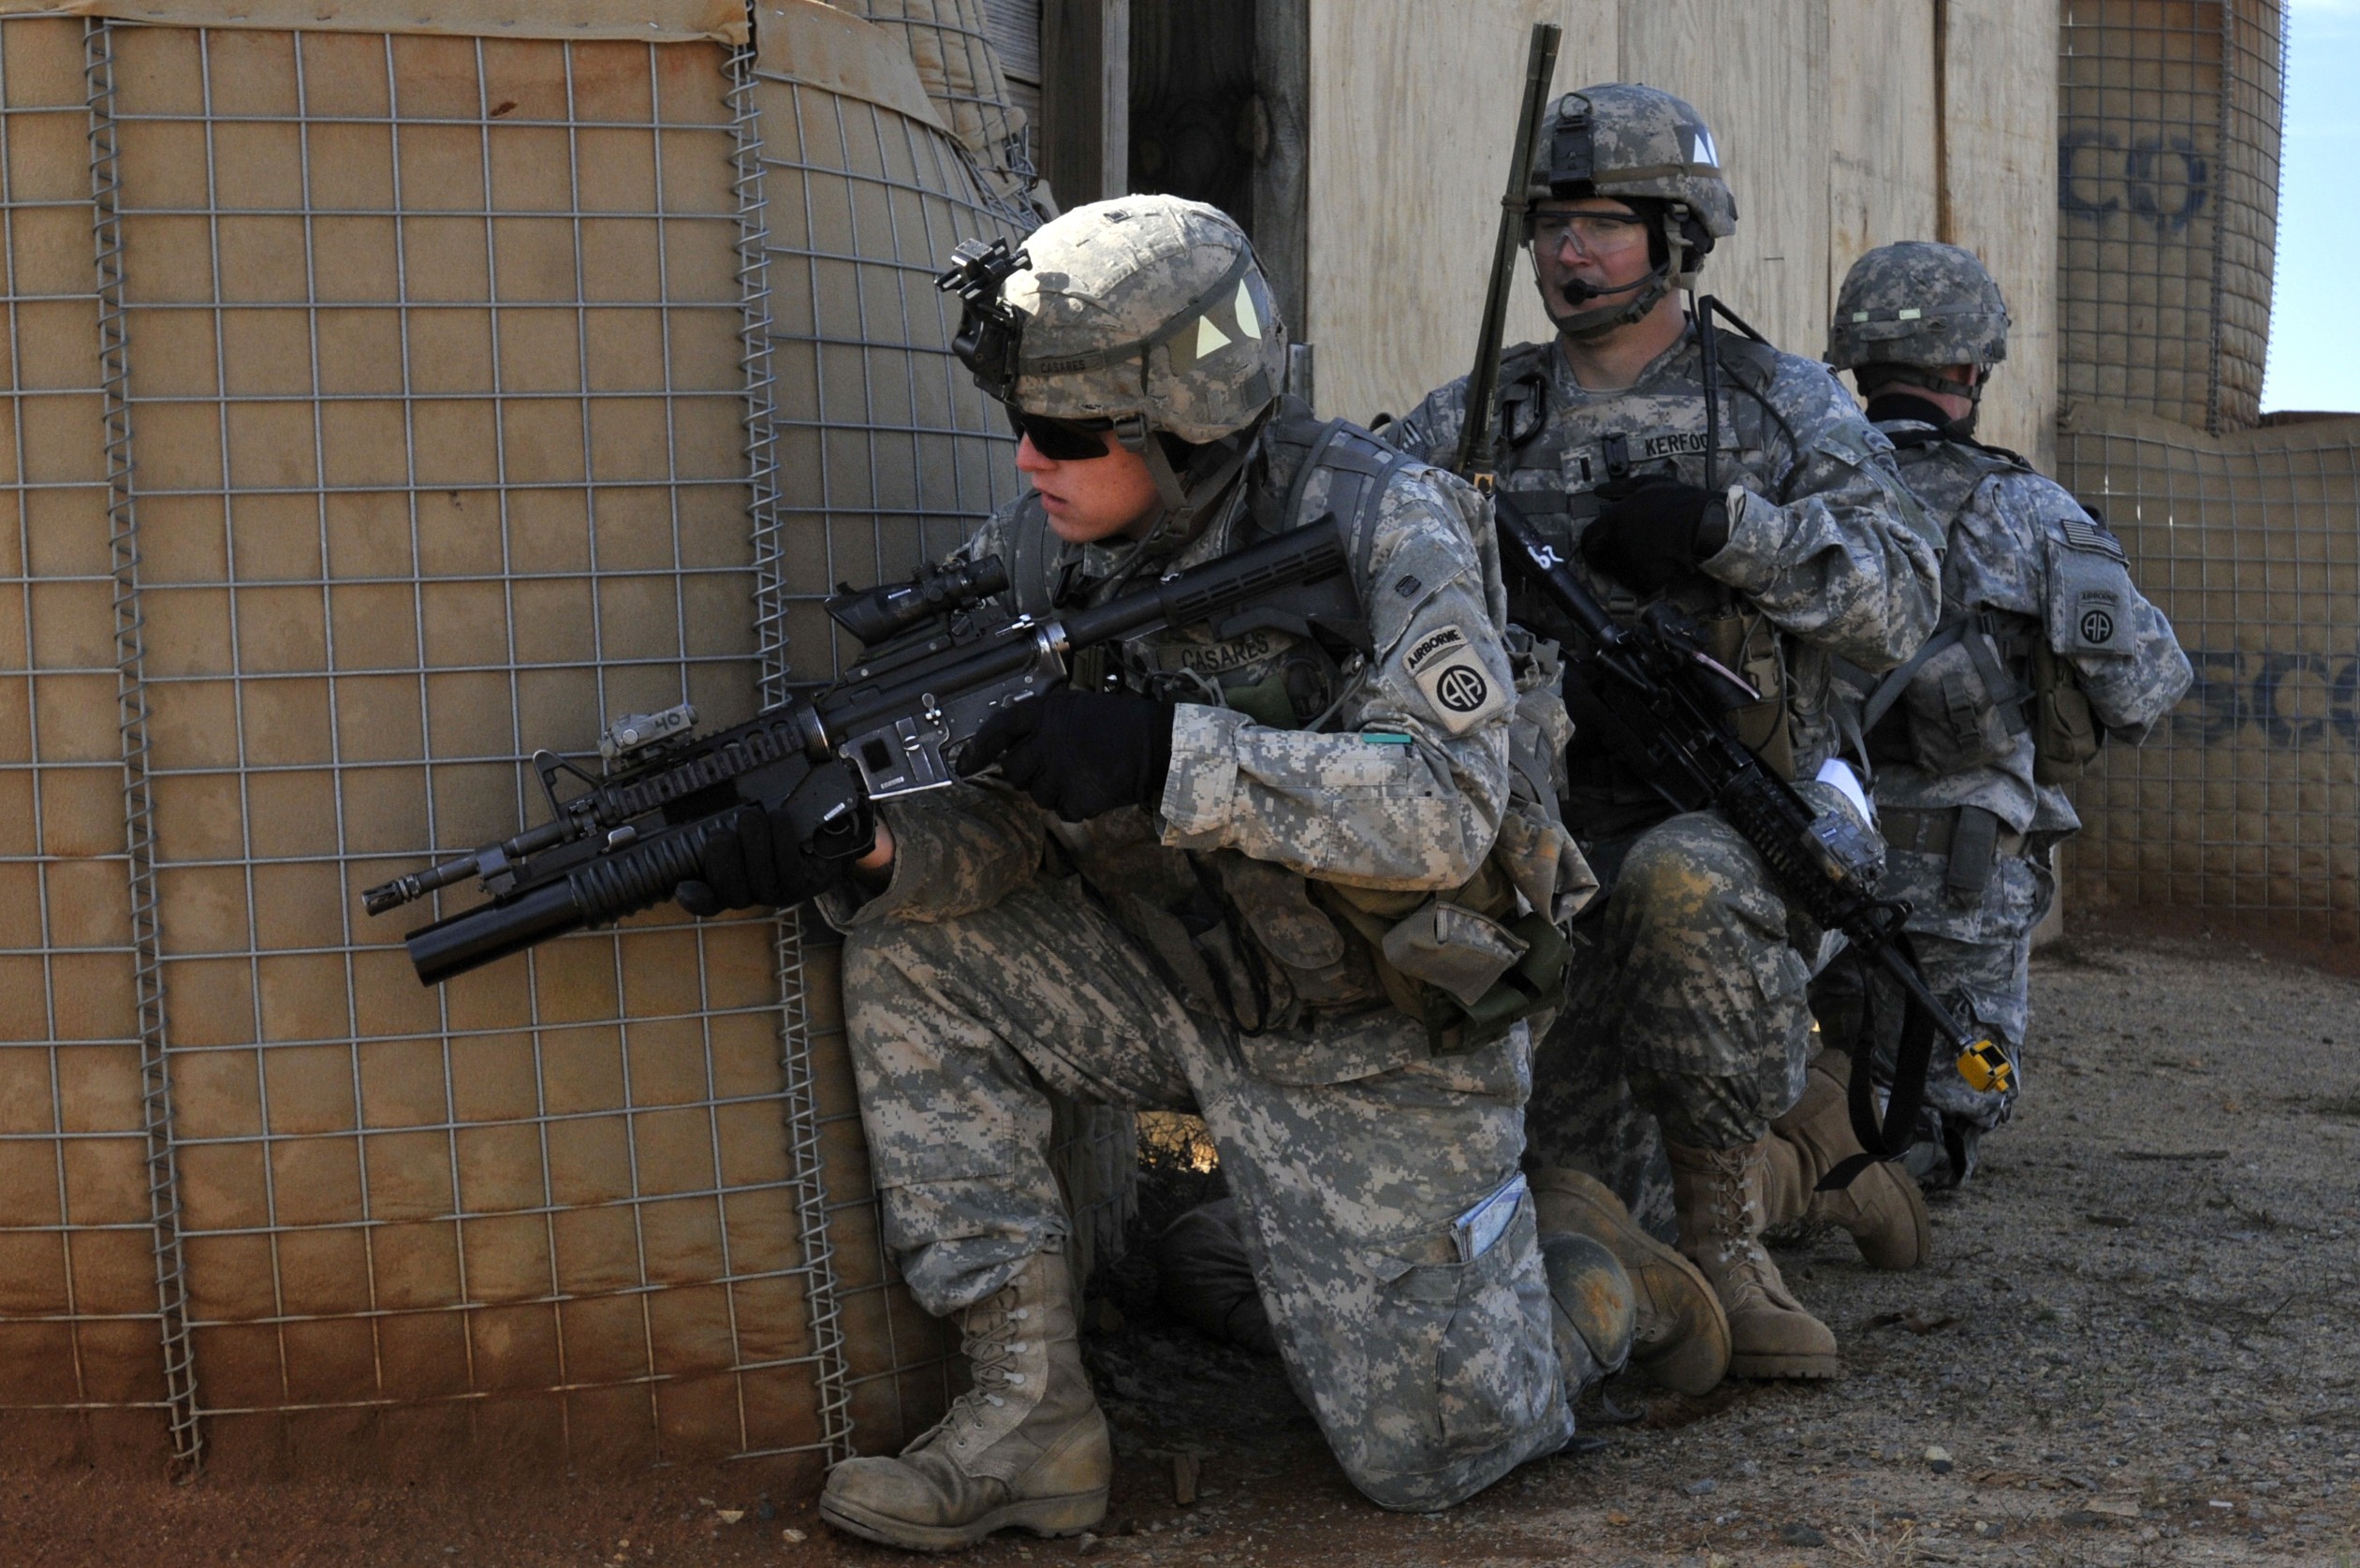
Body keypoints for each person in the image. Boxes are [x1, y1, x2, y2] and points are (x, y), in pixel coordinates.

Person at [696, 194, 1635, 1552]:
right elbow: (1012, 820)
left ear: (1181, 419)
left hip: (1384, 1037)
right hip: (1176, 990)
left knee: (1433, 1458)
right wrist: (875, 842)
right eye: (1019, 424)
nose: (1028, 463)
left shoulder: (1390, 521)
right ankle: (1029, 1417)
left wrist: (1168, 752)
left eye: (1068, 436)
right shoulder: (1038, 554)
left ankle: (1599, 1273)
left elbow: (1442, 810)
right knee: (913, 947)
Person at [1387, 84, 1947, 1384]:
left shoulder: (1776, 402)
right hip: (1535, 834)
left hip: (1731, 812)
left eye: (1600, 224)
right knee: (1561, 1176)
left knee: (1680, 884)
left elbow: (1904, 597)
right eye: (1547, 224)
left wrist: (1722, 530)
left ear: (1678, 237)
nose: (1565, 254)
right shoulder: (1480, 415)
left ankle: (1735, 1226)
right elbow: (1358, 543)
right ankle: (1797, 1157)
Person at [1807, 241, 2191, 1190]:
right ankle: (1899, 1166)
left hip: (1802, 852)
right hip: (1962, 875)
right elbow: (2144, 686)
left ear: (1856, 363)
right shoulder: (2027, 510)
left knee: (1809, 1071)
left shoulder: (1798, 492)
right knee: (1947, 1099)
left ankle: (1805, 1149)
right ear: (1971, 368)